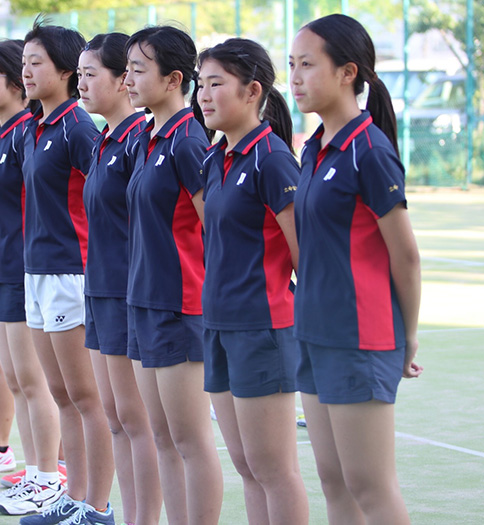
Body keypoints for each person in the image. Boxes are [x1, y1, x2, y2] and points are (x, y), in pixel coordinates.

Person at [290, 14, 422, 524]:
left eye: (307, 65)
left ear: (348, 72)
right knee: (335, 482)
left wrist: (407, 335)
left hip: (360, 337)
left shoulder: (369, 150)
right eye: (291, 66)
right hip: (314, 331)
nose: (296, 78)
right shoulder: (315, 148)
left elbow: (405, 255)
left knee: (369, 484)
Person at [197, 38, 309, 524]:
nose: (203, 95)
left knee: (273, 468)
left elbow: (306, 255)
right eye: (200, 84)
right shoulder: (216, 157)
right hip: (218, 325)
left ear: (252, 91)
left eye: (215, 84)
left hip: (263, 328)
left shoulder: (273, 159)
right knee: (245, 464)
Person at [15, 20, 116, 525]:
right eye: (25, 62)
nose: (27, 71)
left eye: (37, 63)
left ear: (63, 70)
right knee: (62, 396)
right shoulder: (36, 127)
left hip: (70, 273)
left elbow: (104, 203)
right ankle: (73, 498)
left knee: (85, 397)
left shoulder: (78, 127)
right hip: (37, 271)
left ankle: (96, 507)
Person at [123, 26, 223, 525]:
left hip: (182, 306)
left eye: (139, 70)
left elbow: (217, 229)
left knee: (190, 439)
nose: (128, 79)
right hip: (144, 302)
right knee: (162, 436)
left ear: (173, 79)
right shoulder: (147, 135)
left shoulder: (187, 141)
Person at [0, 39, 65, 510]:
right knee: (16, 378)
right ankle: (37, 470)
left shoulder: (38, 130)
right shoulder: (3, 134)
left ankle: (51, 474)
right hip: (2, 268)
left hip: (34, 268)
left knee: (33, 380)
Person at [78, 33, 162, 525]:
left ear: (122, 81)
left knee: (137, 422)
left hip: (131, 294)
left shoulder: (138, 139)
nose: (82, 84)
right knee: (116, 419)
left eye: (92, 75)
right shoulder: (107, 138)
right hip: (100, 289)